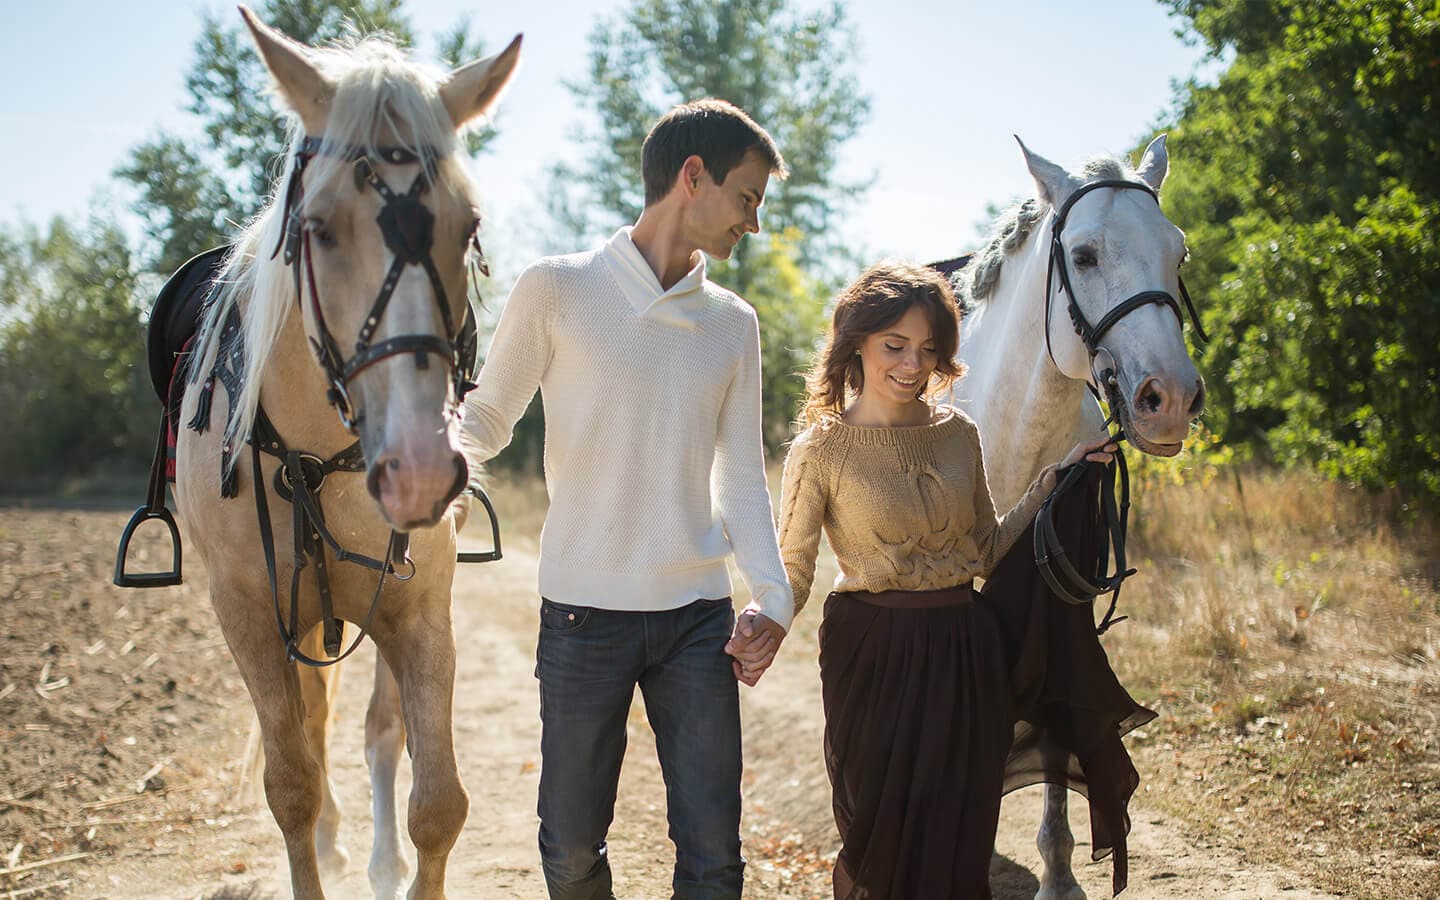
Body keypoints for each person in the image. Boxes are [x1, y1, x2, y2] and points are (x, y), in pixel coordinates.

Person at [462, 98, 792, 900]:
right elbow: (488, 412)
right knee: (571, 847)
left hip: (697, 620)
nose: (753, 222)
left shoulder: (732, 324)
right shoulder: (556, 288)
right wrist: (449, 468)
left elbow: (742, 473)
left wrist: (773, 595)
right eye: (747, 197)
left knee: (715, 857)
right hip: (581, 615)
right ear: (692, 176)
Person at [737, 261, 1116, 899]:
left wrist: (1054, 481)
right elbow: (793, 567)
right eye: (895, 346)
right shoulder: (820, 449)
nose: (913, 364)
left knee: (960, 831)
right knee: (882, 834)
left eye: (928, 349)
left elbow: (987, 547)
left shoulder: (958, 434)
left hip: (964, 650)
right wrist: (763, 616)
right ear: (855, 341)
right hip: (872, 654)